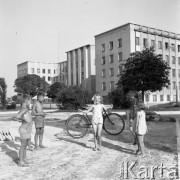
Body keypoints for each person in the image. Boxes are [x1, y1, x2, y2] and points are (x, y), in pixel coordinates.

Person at [13, 94, 32, 167]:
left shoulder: (24, 108)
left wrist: (24, 119)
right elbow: (17, 116)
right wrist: (23, 119)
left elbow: (18, 116)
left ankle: (24, 159)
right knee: (23, 145)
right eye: (30, 100)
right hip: (24, 128)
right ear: (26, 101)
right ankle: (21, 161)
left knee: (25, 145)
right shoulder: (24, 109)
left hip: (27, 128)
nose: (30, 102)